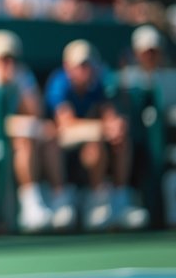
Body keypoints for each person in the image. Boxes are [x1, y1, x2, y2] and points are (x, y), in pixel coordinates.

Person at [0, 30, 71, 232]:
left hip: (23, 134)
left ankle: (59, 200)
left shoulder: (21, 75)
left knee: (50, 139)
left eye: (11, 58)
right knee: (24, 142)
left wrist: (21, 86)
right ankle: (31, 206)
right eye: (2, 58)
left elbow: (36, 112)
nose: (7, 63)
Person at [45, 40, 147, 231]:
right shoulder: (59, 82)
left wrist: (115, 125)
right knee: (89, 139)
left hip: (92, 143)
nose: (86, 70)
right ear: (68, 67)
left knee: (120, 137)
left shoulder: (99, 82)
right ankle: (73, 201)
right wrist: (102, 128)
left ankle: (117, 201)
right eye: (80, 65)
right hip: (63, 144)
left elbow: (109, 113)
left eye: (88, 64)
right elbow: (66, 123)